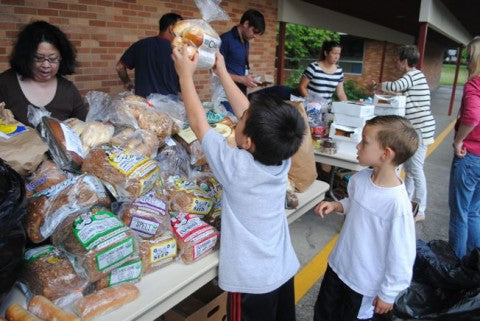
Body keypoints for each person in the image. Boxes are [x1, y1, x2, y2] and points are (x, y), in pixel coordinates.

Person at [172, 47, 305, 321]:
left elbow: (198, 123)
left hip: (250, 284)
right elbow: (252, 115)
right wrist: (221, 70)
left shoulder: (237, 168)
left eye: (239, 121)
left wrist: (185, 76)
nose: (237, 118)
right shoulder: (282, 160)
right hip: (282, 270)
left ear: (248, 142)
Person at [313, 115, 418, 321]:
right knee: (324, 313)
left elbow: (402, 255)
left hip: (363, 283)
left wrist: (388, 294)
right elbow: (356, 204)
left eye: (365, 142)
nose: (358, 146)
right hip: (338, 266)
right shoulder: (360, 179)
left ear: (385, 154)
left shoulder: (397, 205)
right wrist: (337, 205)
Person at [377, 45, 435, 223]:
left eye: (397, 59)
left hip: (420, 130)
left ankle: (421, 209)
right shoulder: (417, 76)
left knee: (416, 170)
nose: (396, 62)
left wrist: (379, 85)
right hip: (417, 129)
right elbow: (401, 91)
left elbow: (395, 86)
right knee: (410, 170)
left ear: (404, 61)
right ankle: (407, 203)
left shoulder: (411, 75)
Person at [0, 21, 86, 126]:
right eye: (38, 58)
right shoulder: (5, 83)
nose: (46, 65)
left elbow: (83, 125)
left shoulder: (68, 90)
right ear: (26, 57)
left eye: (53, 59)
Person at [448, 37, 480, 259]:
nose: (467, 62)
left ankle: (456, 267)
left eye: (469, 57)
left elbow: (472, 116)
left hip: (470, 157)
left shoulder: (475, 84)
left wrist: (459, 140)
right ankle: (474, 264)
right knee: (473, 212)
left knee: (460, 214)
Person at [116, 13, 182, 98]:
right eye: (181, 28)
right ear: (171, 28)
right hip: (168, 105)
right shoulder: (178, 51)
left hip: (142, 105)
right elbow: (182, 82)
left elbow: (119, 67)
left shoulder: (140, 45)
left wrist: (127, 82)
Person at [220, 9, 265, 96]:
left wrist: (252, 80)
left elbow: (238, 68)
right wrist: (242, 79)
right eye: (254, 31)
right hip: (225, 94)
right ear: (246, 24)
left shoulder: (246, 41)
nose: (255, 36)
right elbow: (215, 71)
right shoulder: (225, 39)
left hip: (240, 91)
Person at [298, 40, 347, 105]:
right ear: (326, 53)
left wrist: (347, 105)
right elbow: (302, 86)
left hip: (326, 108)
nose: (337, 57)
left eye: (339, 54)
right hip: (310, 107)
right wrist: (311, 102)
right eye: (334, 53)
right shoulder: (313, 67)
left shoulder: (339, 70)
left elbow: (340, 93)